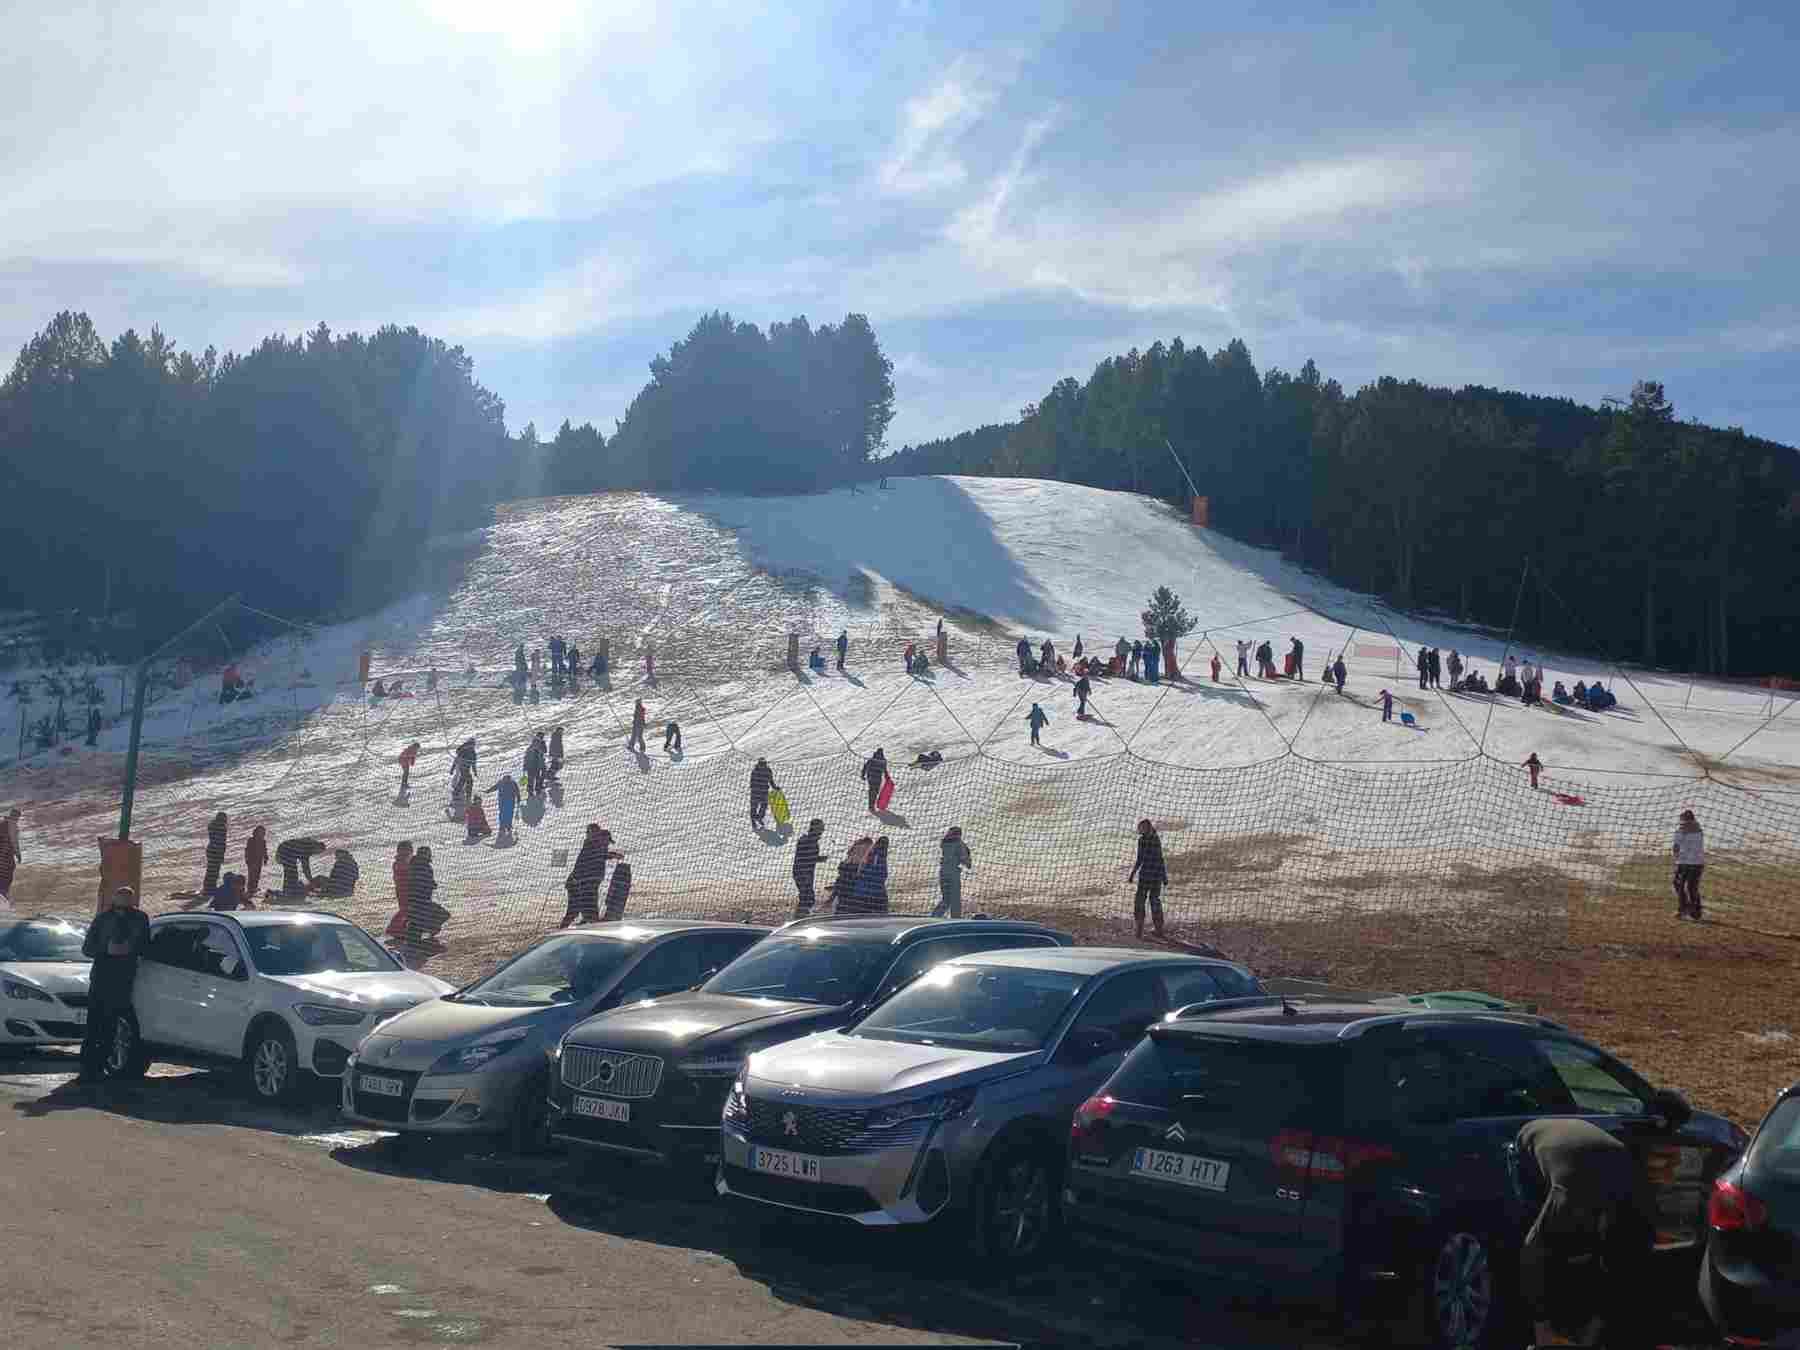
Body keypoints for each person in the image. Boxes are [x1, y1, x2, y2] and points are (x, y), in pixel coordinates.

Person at [1515, 1117, 1656, 1348]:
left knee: (1616, 1249)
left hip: (1592, 1152)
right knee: (1539, 1235)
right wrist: (1542, 1329)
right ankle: (1537, 1311)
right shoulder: (1569, 1194)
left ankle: (1578, 1300)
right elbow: (1532, 1252)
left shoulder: (1637, 1201)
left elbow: (1626, 1265)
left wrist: (1593, 1332)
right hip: (1529, 1142)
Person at [79, 886, 149, 1083]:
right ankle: (87, 1068)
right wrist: (106, 949)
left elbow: (146, 944)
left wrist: (131, 949)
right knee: (94, 1023)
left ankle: (102, 1066)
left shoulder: (140, 919)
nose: (124, 901)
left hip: (124, 977)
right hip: (102, 975)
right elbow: (87, 948)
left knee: (112, 1024)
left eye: (128, 898)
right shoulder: (103, 919)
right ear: (114, 898)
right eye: (121, 897)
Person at [562, 824, 621, 926]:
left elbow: (601, 855)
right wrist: (611, 855)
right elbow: (595, 856)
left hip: (587, 884)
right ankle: (563, 930)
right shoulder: (591, 846)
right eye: (606, 841)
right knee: (577, 911)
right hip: (578, 884)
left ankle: (582, 925)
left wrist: (612, 855)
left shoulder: (598, 847)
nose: (607, 844)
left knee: (587, 912)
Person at [1128, 819, 1167, 939]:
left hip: (1146, 875)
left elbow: (1140, 859)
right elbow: (1160, 859)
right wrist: (1164, 876)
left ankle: (1139, 929)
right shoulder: (1155, 838)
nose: (1139, 830)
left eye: (1140, 828)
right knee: (1154, 900)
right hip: (1156, 876)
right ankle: (1158, 929)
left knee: (1140, 900)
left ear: (1145, 828)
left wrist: (1132, 874)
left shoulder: (1142, 840)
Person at [407, 846, 448, 945]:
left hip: (416, 899)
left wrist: (431, 884)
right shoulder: (423, 866)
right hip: (421, 899)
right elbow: (420, 882)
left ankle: (415, 939)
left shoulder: (414, 865)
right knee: (440, 915)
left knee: (417, 919)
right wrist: (431, 885)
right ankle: (428, 932)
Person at [933, 826, 973, 918]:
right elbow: (966, 861)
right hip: (953, 875)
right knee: (955, 900)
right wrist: (968, 860)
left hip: (943, 873)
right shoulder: (959, 844)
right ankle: (956, 920)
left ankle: (934, 917)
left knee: (946, 899)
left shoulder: (944, 843)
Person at [792, 819, 828, 918]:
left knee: (807, 897)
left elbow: (807, 857)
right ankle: (800, 916)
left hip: (805, 872)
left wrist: (819, 858)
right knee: (807, 897)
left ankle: (801, 915)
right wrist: (818, 858)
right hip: (802, 873)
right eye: (821, 828)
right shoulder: (807, 840)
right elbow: (804, 857)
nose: (822, 830)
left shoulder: (811, 841)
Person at [1673, 809, 1705, 920]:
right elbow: (1676, 848)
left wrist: (1676, 857)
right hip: (1691, 863)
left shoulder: (1685, 831)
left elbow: (1676, 848)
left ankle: (1690, 910)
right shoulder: (1697, 830)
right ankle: (1690, 910)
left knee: (1687, 887)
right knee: (1686, 886)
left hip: (1691, 863)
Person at [848, 836, 890, 915]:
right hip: (872, 895)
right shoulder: (878, 856)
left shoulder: (872, 855)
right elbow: (882, 875)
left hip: (863, 894)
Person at [386, 842, 413, 939]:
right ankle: (393, 929)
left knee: (406, 910)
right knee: (405, 910)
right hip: (404, 890)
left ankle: (400, 929)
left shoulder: (403, 862)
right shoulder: (400, 863)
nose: (410, 852)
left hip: (405, 889)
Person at [202, 811, 228, 898]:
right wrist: (221, 854)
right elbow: (221, 842)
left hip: (212, 850)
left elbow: (219, 841)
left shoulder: (212, 826)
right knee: (213, 871)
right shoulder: (221, 828)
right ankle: (209, 889)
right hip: (216, 851)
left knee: (212, 870)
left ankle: (208, 888)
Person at [490, 773, 520, 840]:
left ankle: (506, 826)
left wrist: (518, 799)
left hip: (508, 802)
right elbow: (495, 787)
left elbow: (517, 792)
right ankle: (503, 827)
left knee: (507, 814)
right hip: (505, 802)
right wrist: (488, 791)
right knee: (505, 814)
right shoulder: (506, 782)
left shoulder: (512, 783)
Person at [0, 806, 21, 901]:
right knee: (8, 870)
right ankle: (3, 894)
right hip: (6, 854)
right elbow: (14, 841)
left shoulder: (2, 823)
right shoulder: (12, 825)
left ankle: (3, 893)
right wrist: (18, 854)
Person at [750, 757, 777, 828]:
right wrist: (755, 789)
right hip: (756, 792)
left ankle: (759, 817)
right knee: (754, 807)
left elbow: (771, 780)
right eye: (761, 764)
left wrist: (774, 787)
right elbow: (752, 782)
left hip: (764, 791)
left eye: (763, 764)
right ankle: (753, 821)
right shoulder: (755, 771)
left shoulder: (768, 770)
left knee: (764, 805)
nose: (762, 765)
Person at [244, 824, 268, 898]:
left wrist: (266, 858)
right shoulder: (251, 840)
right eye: (260, 831)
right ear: (256, 832)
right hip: (251, 860)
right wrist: (247, 858)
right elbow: (247, 850)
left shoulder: (263, 841)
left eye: (263, 832)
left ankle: (254, 888)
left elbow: (264, 850)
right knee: (251, 875)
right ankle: (250, 890)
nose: (261, 833)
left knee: (257, 874)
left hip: (259, 860)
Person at [862, 747, 888, 812]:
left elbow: (865, 767)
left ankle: (871, 805)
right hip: (878, 779)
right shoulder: (883, 761)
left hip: (871, 778)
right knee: (875, 791)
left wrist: (863, 775)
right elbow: (885, 770)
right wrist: (886, 777)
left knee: (871, 791)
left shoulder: (872, 760)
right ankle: (873, 805)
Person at [523, 732, 547, 798]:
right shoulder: (530, 749)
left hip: (537, 766)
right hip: (531, 767)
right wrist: (525, 766)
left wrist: (543, 744)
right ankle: (530, 791)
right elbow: (526, 758)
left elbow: (545, 751)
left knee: (537, 778)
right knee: (531, 779)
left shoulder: (540, 749)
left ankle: (537, 789)